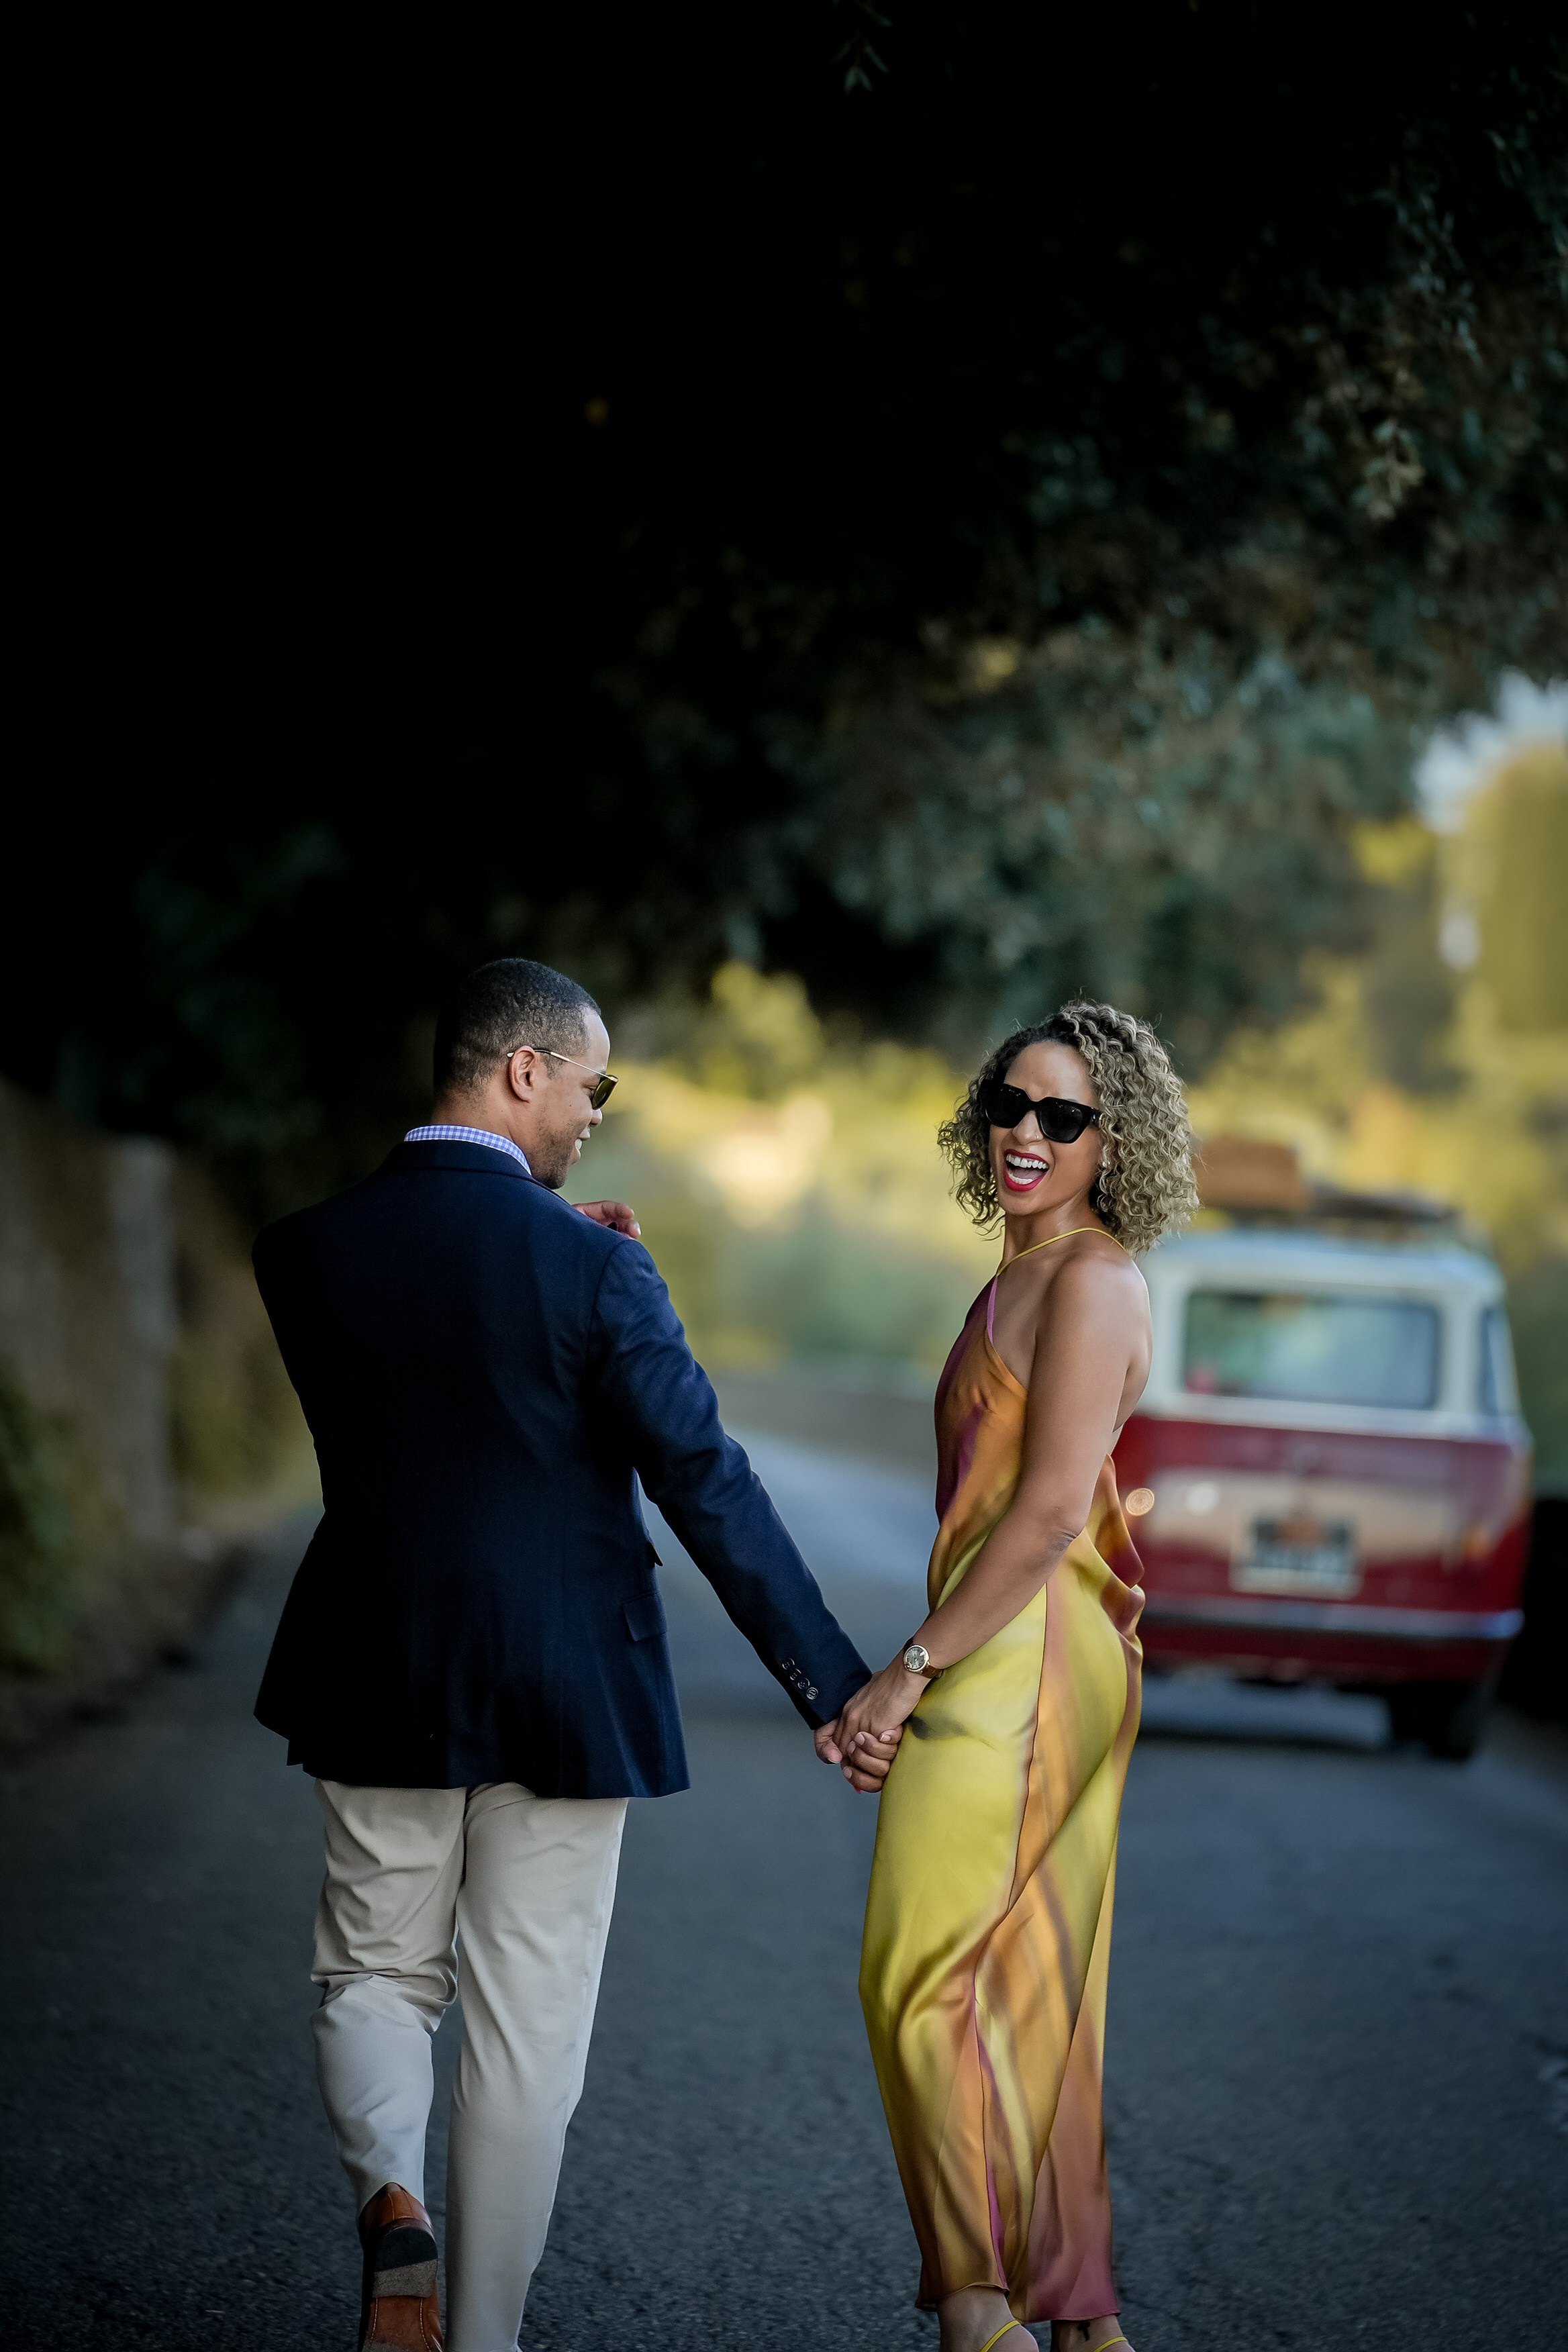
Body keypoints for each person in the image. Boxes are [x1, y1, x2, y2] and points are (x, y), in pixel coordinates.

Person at [251, 956, 893, 2352]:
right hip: (567, 1679)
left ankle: (392, 2206)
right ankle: (480, 2338)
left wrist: (560, 1245)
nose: (597, 1112)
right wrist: (834, 1687)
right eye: (592, 1084)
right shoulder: (600, 1267)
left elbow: (446, 1346)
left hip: (374, 1658)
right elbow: (703, 1478)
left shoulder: (302, 1252)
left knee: (370, 1972)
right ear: (523, 1070)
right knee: (524, 2030)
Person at [820, 1002, 1198, 2352]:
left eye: (1065, 1117)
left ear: (1115, 1142)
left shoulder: (1093, 1281)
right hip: (1028, 1648)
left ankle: (982, 2309)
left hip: (1029, 1655)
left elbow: (1043, 1517)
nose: (1027, 1135)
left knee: (913, 1975)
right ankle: (1077, 2321)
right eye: (1013, 1104)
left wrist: (903, 1674)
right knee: (1030, 1983)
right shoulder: (1018, 1278)